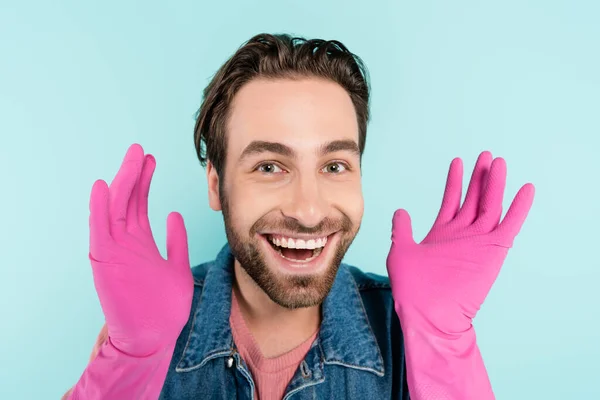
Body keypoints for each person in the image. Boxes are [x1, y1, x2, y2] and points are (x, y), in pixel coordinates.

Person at [64, 33, 535, 400]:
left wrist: (445, 347)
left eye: (334, 166)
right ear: (215, 182)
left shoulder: (410, 331)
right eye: (270, 166)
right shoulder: (143, 327)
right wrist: (130, 362)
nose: (309, 211)